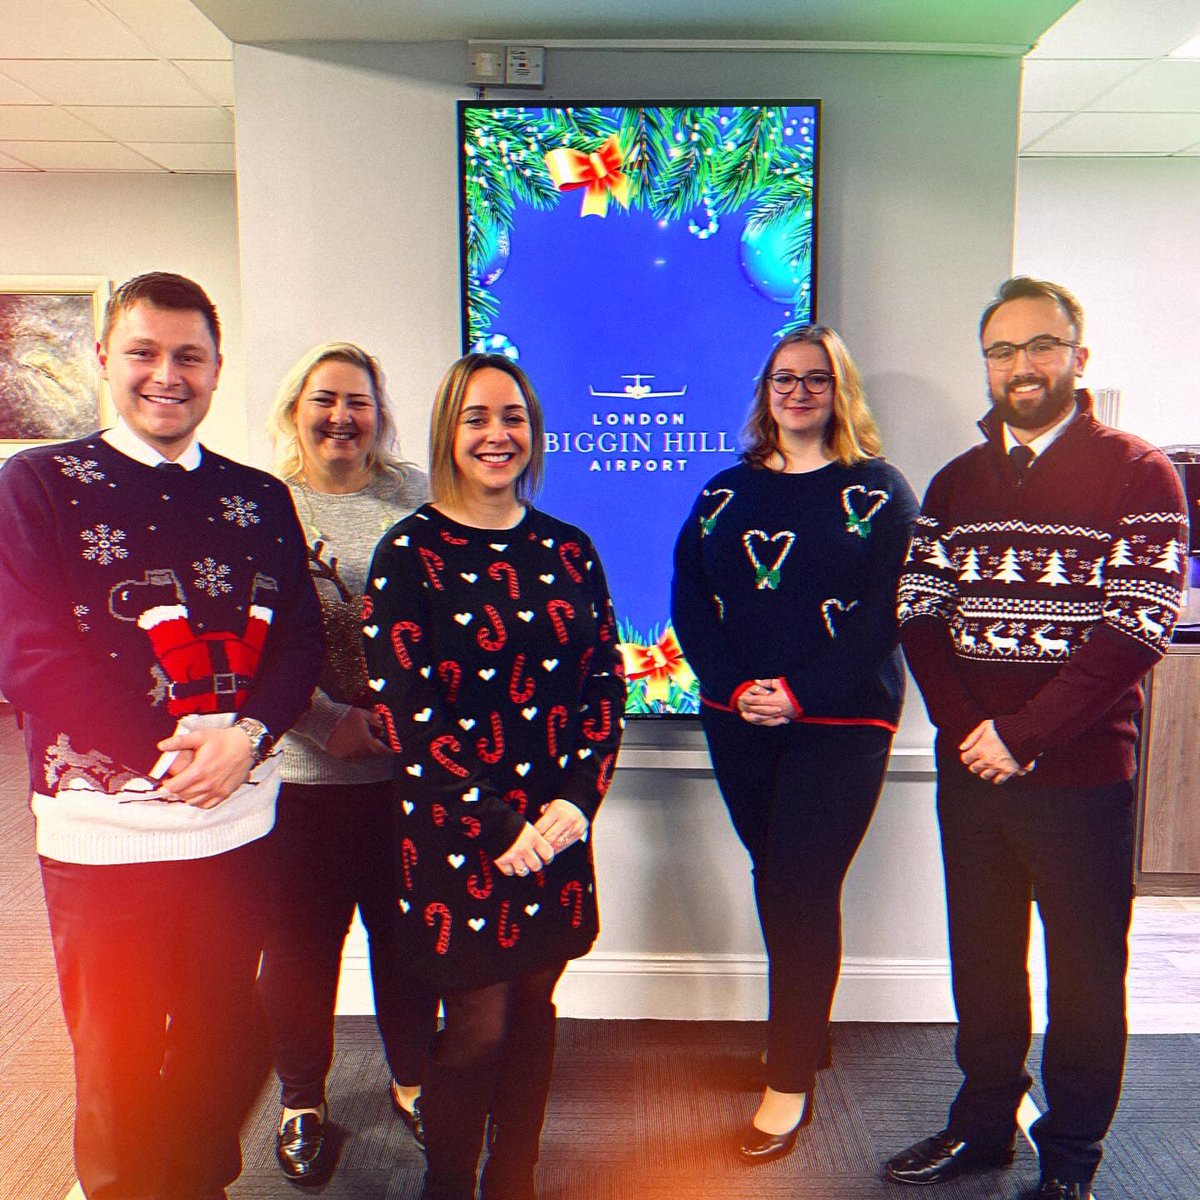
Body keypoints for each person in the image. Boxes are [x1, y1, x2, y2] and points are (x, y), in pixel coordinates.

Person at [0, 272, 323, 1200]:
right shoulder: (40, 484)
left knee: (225, 1042)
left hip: (236, 825)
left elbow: (297, 641)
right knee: (118, 1057)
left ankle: (199, 1185)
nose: (165, 375)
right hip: (105, 839)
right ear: (105, 359)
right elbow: (28, 655)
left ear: (218, 370)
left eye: (189, 356)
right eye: (144, 352)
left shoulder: (259, 496)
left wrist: (250, 737)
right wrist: (171, 751)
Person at [887, 277, 1187, 1200]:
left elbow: (1136, 629)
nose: (1022, 366)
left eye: (1041, 346)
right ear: (986, 363)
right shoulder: (954, 481)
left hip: (1083, 779)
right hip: (974, 773)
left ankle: (1071, 1159)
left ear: (1077, 356)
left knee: (1087, 979)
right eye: (1003, 350)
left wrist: (1022, 736)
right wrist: (972, 732)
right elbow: (919, 612)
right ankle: (982, 1128)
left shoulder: (1140, 473)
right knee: (982, 965)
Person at [362, 353, 626, 1200]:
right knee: (476, 1027)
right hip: (457, 842)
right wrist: (493, 825)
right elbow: (409, 715)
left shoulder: (570, 550)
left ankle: (515, 1177)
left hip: (554, 835)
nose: (496, 434)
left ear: (534, 433)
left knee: (537, 1009)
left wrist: (575, 804)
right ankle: (449, 1186)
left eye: (512, 416)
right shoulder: (406, 554)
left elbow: (602, 687)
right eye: (476, 418)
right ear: (448, 432)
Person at [671, 325, 919, 1163]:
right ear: (765, 391)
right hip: (738, 718)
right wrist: (740, 688)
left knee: (802, 883)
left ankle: (789, 1083)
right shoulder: (724, 491)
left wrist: (802, 692)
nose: (799, 391)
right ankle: (802, 1036)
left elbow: (891, 611)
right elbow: (692, 598)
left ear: (839, 391)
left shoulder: (881, 492)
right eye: (785, 378)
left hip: (843, 721)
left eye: (817, 379)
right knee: (776, 874)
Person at [261, 343, 440, 1182]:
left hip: (404, 779)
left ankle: (413, 1086)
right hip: (304, 779)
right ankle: (302, 1101)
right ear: (298, 408)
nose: (341, 417)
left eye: (358, 401)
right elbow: (251, 644)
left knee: (405, 945)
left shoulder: (415, 496)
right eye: (325, 400)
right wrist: (326, 722)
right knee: (302, 949)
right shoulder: (265, 506)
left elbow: (447, 627)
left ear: (380, 411)